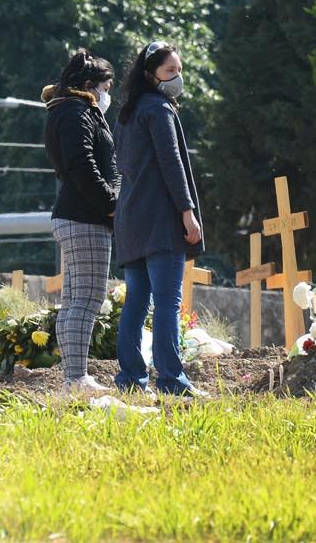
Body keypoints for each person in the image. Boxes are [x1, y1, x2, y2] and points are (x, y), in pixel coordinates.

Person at [112, 40, 207, 397]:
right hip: (160, 219)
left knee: (137, 300)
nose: (177, 78)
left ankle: (131, 380)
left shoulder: (127, 112)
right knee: (167, 301)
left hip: (130, 219)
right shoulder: (160, 110)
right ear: (151, 74)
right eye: (170, 71)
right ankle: (172, 380)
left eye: (179, 71)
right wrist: (187, 212)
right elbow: (172, 163)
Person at [41, 49, 119, 394]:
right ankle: (76, 378)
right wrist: (110, 204)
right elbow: (82, 163)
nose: (108, 93)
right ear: (90, 85)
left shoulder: (67, 109)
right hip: (85, 216)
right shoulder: (77, 111)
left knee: (75, 301)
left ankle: (74, 376)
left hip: (75, 215)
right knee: (86, 301)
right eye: (106, 86)